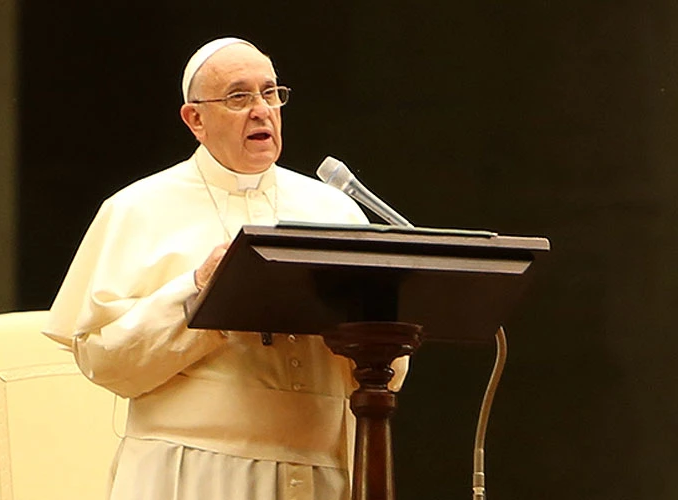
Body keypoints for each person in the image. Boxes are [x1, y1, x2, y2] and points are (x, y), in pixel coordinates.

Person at [43, 37, 409, 500]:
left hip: (323, 471)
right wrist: (198, 290)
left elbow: (386, 368)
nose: (261, 110)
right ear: (194, 119)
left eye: (270, 93)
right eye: (239, 97)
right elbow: (104, 360)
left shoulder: (334, 211)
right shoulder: (137, 208)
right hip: (192, 471)